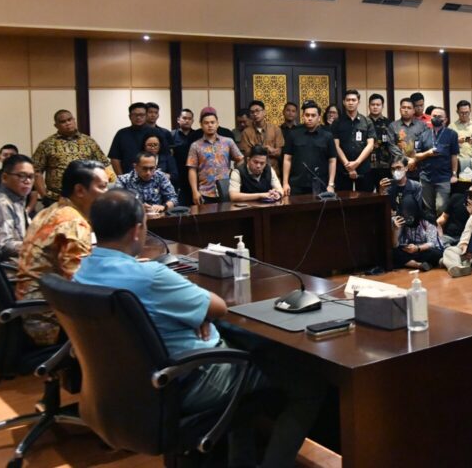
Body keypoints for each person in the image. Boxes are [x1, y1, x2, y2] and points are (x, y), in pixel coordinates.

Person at [74, 190, 324, 468]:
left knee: (242, 354)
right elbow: (218, 307)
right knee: (308, 384)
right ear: (136, 231)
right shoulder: (150, 277)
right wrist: (198, 311)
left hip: (129, 388)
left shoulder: (81, 272)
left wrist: (194, 314)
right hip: (191, 380)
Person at [16, 160, 109, 345]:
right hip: (48, 321)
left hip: (25, 310)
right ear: (80, 190)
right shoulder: (73, 223)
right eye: (102, 187)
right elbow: (80, 285)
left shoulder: (48, 212)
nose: (107, 193)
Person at [32, 109, 113, 204]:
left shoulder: (89, 142)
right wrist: (44, 196)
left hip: (85, 196)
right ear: (56, 125)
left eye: (69, 120)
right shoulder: (47, 144)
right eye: (63, 122)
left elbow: (103, 165)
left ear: (74, 120)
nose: (67, 123)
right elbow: (36, 171)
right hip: (55, 198)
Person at [187, 109, 244, 205]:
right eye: (206, 123)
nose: (210, 125)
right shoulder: (195, 145)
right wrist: (194, 191)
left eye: (212, 122)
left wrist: (234, 174)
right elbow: (192, 169)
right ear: (201, 125)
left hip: (226, 190)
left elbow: (240, 159)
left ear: (217, 124)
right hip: (205, 192)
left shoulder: (228, 142)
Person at [282, 100, 337, 196]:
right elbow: (287, 159)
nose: (310, 118)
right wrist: (285, 183)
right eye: (307, 115)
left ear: (319, 118)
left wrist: (331, 184)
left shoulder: (327, 136)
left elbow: (332, 161)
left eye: (313, 115)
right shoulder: (293, 134)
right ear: (303, 116)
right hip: (296, 184)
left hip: (320, 184)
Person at [413, 106, 459, 216]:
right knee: (428, 210)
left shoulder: (452, 134)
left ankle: (440, 227)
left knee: (441, 207)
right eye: (434, 116)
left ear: (445, 120)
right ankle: (431, 227)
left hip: (444, 177)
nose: (436, 118)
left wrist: (454, 174)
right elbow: (416, 156)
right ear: (430, 118)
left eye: (440, 116)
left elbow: (454, 156)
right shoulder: (424, 135)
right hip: (426, 177)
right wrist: (428, 153)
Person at [441, 176, 472, 278]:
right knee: (450, 250)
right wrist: (465, 247)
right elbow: (465, 237)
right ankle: (457, 267)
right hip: (468, 252)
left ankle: (451, 263)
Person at [332, 89, 376, 192]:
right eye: (348, 100)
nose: (350, 102)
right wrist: (348, 165)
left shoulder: (367, 121)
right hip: (343, 169)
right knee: (343, 199)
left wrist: (356, 163)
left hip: (363, 168)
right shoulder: (337, 122)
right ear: (344, 102)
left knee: (365, 198)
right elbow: (336, 146)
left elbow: (370, 145)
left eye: (353, 100)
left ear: (358, 102)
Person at [392, 195, 443, 271]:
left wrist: (417, 248)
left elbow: (432, 243)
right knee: (392, 253)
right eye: (405, 213)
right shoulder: (400, 220)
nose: (408, 216)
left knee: (436, 254)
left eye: (409, 213)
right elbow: (395, 245)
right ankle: (418, 265)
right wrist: (395, 229)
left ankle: (410, 263)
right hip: (409, 250)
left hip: (424, 249)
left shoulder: (427, 220)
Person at [109, 102, 159, 175]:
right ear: (130, 116)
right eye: (135, 115)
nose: (138, 117)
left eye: (141, 115)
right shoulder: (121, 133)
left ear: (146, 116)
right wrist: (121, 177)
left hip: (151, 176)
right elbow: (115, 158)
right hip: (127, 176)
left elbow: (163, 156)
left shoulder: (156, 132)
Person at [239, 100, 285, 173]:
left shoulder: (275, 129)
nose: (255, 114)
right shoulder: (246, 132)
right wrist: (265, 150)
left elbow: (279, 152)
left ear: (264, 112)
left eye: (257, 111)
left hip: (273, 170)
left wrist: (271, 150)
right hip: (253, 172)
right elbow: (246, 154)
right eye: (252, 112)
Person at [367, 93, 399, 190]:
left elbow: (393, 144)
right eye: (373, 104)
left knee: (386, 193)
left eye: (378, 105)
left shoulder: (390, 124)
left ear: (382, 106)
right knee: (366, 194)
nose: (375, 107)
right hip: (367, 165)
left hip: (385, 165)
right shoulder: (363, 122)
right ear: (369, 106)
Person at [390, 97, 428, 180]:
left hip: (419, 166)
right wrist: (407, 160)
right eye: (403, 107)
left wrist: (415, 160)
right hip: (399, 167)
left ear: (414, 110)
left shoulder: (422, 126)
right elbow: (392, 146)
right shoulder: (393, 126)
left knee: (418, 187)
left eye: (409, 108)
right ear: (400, 109)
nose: (406, 110)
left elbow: (426, 145)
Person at [170, 108, 196, 206]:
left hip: (195, 175)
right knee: (179, 205)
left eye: (189, 119)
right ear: (178, 120)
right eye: (184, 118)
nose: (187, 121)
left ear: (192, 121)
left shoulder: (197, 135)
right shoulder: (171, 135)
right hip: (178, 175)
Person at [450, 100, 472, 172]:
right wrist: (456, 141)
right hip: (458, 160)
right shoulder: (452, 126)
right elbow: (446, 143)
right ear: (457, 112)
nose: (464, 115)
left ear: (470, 111)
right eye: (461, 113)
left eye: (466, 112)